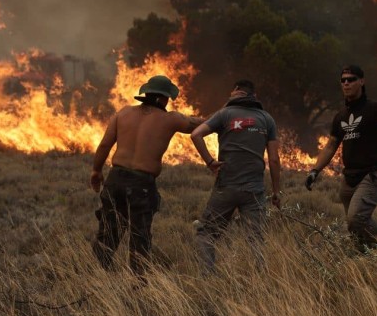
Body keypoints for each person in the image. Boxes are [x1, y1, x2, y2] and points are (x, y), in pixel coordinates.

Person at [90, 75, 203, 274]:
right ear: (163, 98)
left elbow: (105, 145)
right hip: (141, 184)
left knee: (108, 231)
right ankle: (138, 284)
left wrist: (96, 170)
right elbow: (198, 125)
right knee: (139, 236)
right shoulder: (171, 118)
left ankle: (98, 276)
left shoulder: (123, 113)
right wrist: (226, 117)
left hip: (114, 179)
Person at [305, 65, 377, 254]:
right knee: (355, 227)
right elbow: (331, 145)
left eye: (351, 79)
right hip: (349, 179)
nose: (347, 83)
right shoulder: (341, 115)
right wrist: (314, 170)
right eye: (343, 80)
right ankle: (371, 261)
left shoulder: (376, 109)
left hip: (373, 174)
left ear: (362, 82)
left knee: (357, 219)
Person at [190, 80, 281, 272]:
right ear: (254, 97)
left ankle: (207, 277)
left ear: (236, 92)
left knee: (206, 233)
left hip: (227, 187)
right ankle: (260, 281)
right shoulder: (267, 119)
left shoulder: (224, 114)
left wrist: (209, 162)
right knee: (255, 239)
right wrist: (276, 192)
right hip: (254, 190)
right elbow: (274, 160)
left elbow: (196, 134)